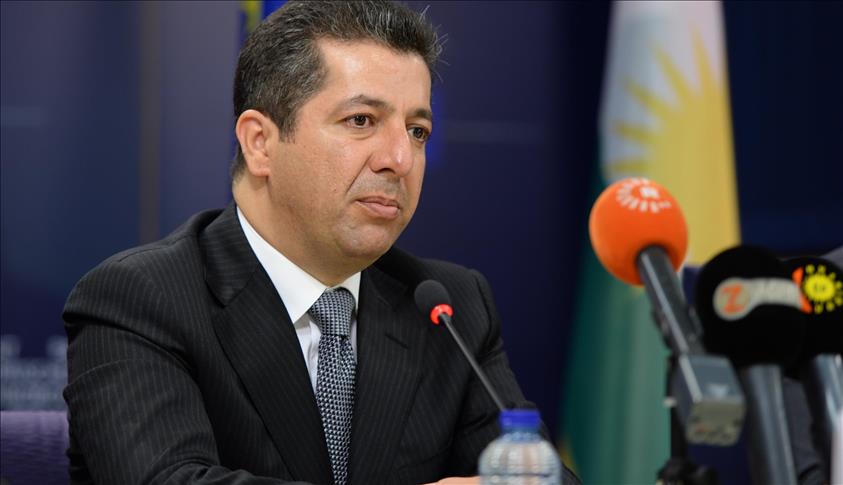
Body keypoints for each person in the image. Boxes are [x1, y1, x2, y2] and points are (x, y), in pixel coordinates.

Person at [63, 1, 579, 484]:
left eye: (417, 131)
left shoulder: (450, 308)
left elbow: (538, 475)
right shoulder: (143, 300)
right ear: (260, 143)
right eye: (361, 121)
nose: (399, 159)